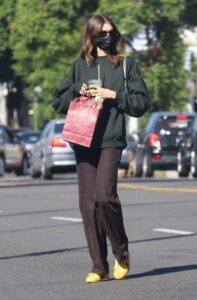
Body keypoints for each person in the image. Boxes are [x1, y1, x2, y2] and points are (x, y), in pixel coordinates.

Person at [52, 14, 151, 283]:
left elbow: (142, 103)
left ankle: (122, 253)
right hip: (83, 139)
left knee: (105, 196)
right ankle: (99, 266)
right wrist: (76, 89)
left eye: (112, 32)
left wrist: (115, 95)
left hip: (111, 139)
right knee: (88, 204)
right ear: (92, 36)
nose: (108, 37)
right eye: (102, 33)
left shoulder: (126, 65)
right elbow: (57, 101)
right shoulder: (79, 67)